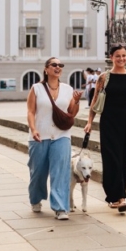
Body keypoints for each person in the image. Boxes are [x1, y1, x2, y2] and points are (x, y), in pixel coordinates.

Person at [84, 44, 126, 213]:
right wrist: (89, 121)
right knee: (111, 157)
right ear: (111, 57)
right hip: (109, 122)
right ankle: (117, 196)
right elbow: (95, 101)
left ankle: (119, 196)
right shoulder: (104, 77)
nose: (121, 59)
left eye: (124, 55)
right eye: (118, 56)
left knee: (123, 157)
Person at [27, 57, 84, 220]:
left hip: (61, 135)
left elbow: (71, 113)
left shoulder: (67, 89)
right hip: (39, 135)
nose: (58, 67)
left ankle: (60, 207)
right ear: (46, 69)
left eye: (60, 65)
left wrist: (77, 102)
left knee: (60, 172)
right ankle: (36, 199)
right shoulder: (36, 88)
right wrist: (33, 129)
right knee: (38, 172)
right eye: (54, 65)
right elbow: (31, 111)